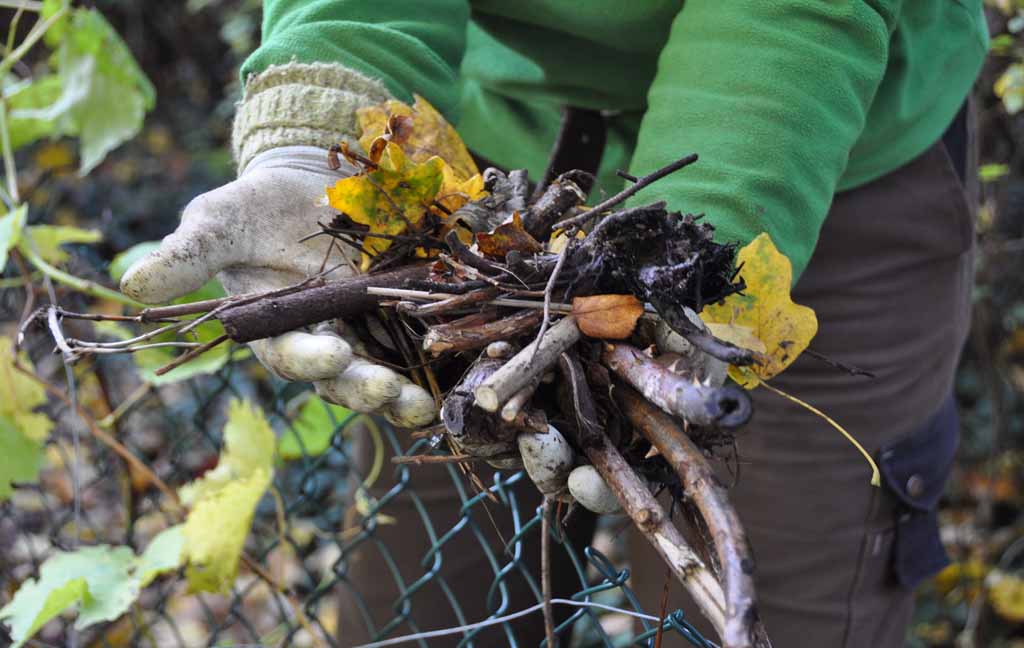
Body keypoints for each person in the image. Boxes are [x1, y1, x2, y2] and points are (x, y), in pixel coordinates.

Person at [120, 2, 989, 646]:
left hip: (814, 144)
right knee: (425, 601)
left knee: (779, 596)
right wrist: (318, 132)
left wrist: (682, 249)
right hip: (484, 170)